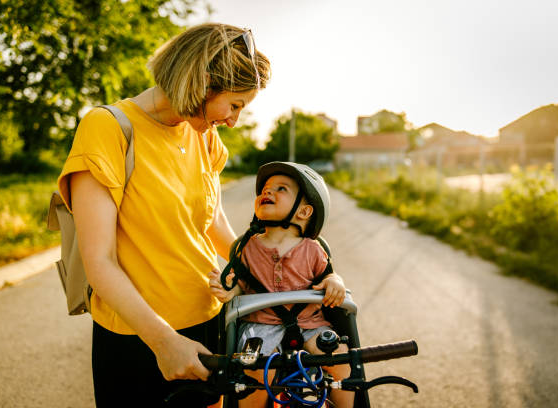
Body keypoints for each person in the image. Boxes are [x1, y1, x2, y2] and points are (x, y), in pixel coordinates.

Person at [56, 23, 270, 407]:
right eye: (235, 105)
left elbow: (212, 220)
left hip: (210, 321)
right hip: (140, 339)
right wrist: (164, 342)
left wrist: (269, 269)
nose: (235, 120)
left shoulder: (203, 133)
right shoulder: (108, 128)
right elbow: (99, 262)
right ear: (204, 81)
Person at [209, 162, 355, 408]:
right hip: (260, 326)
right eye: (265, 189)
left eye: (281, 189)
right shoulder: (246, 247)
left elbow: (328, 276)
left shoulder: (313, 249)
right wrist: (229, 290)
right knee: (252, 369)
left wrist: (335, 282)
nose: (267, 192)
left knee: (340, 359)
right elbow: (240, 286)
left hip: (310, 325)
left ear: (304, 212)